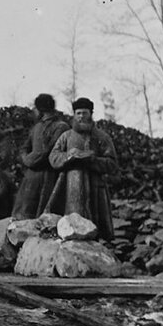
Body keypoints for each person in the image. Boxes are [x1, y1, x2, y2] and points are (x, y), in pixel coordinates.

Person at [46, 96, 119, 240]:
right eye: (78, 113)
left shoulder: (102, 137)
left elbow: (112, 163)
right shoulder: (66, 137)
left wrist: (93, 160)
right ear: (74, 115)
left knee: (97, 228)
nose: (81, 117)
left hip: (95, 186)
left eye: (84, 113)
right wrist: (68, 156)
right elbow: (53, 157)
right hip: (69, 186)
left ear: (91, 114)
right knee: (69, 225)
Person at [11, 93, 70, 221]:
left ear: (41, 109)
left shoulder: (61, 127)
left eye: (35, 108)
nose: (33, 111)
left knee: (46, 217)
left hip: (50, 176)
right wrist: (27, 159)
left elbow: (48, 152)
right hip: (32, 178)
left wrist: (28, 160)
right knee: (25, 215)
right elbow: (24, 148)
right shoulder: (37, 127)